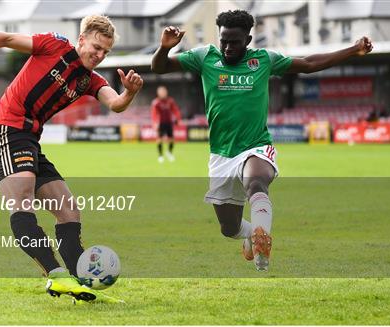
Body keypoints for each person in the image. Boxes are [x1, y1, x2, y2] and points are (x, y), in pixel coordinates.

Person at [152, 10, 373, 271]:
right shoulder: (204, 57)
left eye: (234, 42)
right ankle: (249, 235)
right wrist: (164, 48)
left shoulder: (264, 60)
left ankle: (261, 242)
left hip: (256, 145)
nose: (227, 47)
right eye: (224, 40)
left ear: (248, 39)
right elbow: (159, 67)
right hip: (221, 155)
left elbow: (309, 64)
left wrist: (354, 49)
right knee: (228, 228)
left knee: (256, 182)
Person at [0, 15, 143, 303]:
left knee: (68, 210)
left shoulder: (89, 80)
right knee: (23, 201)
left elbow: (116, 103)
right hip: (6, 129)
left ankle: (82, 280)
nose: (100, 55)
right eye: (96, 47)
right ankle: (56, 275)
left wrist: (129, 91)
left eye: (106, 51)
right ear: (81, 40)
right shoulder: (53, 45)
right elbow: (5, 38)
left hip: (30, 140)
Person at [150, 85, 181, 162]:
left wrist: (178, 119)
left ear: (166, 92)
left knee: (171, 139)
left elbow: (176, 110)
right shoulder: (156, 103)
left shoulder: (170, 101)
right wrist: (155, 123)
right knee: (159, 139)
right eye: (161, 92)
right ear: (158, 93)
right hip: (160, 123)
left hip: (169, 123)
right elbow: (154, 114)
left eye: (164, 91)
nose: (163, 93)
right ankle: (160, 156)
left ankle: (169, 153)